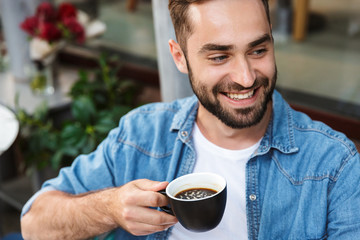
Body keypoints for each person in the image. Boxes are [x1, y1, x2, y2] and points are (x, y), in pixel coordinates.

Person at [21, 0, 360, 239]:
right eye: (219, 56)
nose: (245, 77)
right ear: (179, 58)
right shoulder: (142, 133)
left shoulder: (334, 164)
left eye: (258, 50)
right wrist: (109, 208)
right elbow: (34, 224)